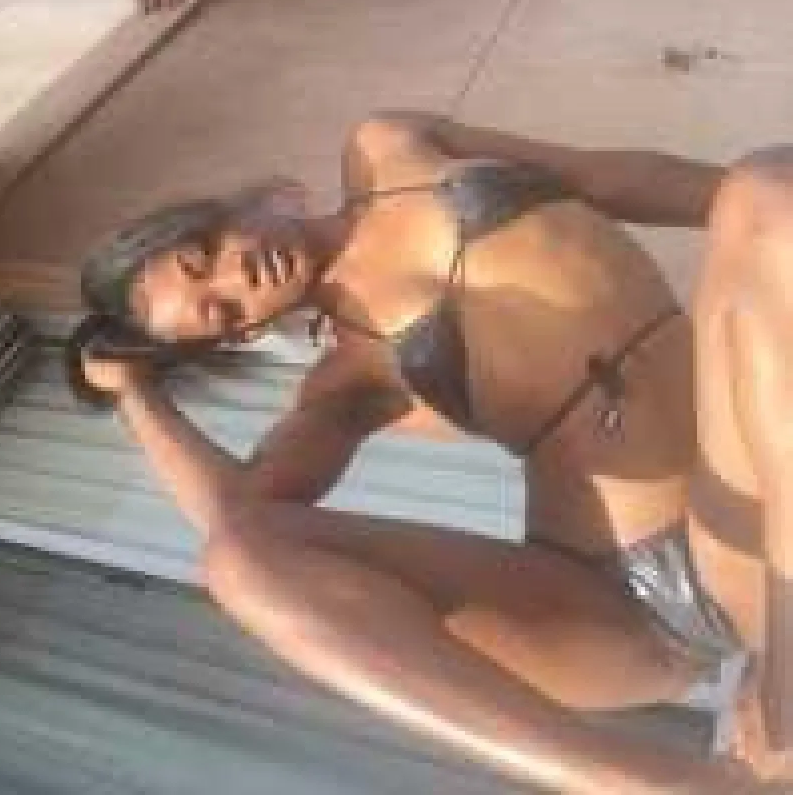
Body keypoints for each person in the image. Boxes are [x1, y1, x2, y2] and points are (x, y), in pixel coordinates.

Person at [70, 112, 791, 792]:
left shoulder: (389, 145)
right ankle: (674, 784)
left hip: (740, 485)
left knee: (761, 188)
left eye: (203, 258)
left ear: (223, 214)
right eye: (223, 312)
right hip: (620, 600)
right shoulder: (351, 378)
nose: (238, 280)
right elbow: (239, 518)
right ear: (245, 334)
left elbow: (607, 176)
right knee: (239, 559)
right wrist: (137, 395)